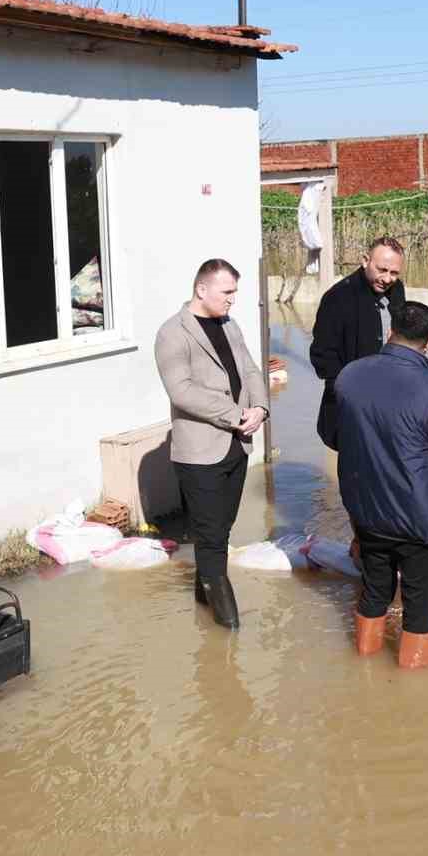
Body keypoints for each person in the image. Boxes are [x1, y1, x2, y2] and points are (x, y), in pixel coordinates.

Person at [335, 302, 428, 669]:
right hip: (419, 520)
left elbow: (348, 436)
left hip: (367, 513)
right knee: (419, 607)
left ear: (389, 332)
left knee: (373, 594)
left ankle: (363, 670)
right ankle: (414, 698)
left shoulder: (349, 376)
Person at [154, 259, 271, 628]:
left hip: (237, 446)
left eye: (235, 292)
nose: (233, 300)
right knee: (212, 536)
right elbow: (182, 391)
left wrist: (261, 408)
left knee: (222, 528)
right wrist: (237, 414)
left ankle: (202, 606)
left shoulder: (229, 324)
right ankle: (229, 630)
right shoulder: (172, 333)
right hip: (200, 452)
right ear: (202, 289)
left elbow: (250, 369)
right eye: (227, 292)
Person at [310, 236, 407, 450]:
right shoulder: (338, 298)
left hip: (390, 402)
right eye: (382, 270)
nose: (388, 278)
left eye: (394, 273)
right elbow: (322, 356)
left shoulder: (397, 290)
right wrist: (351, 391)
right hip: (351, 407)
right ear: (365, 261)